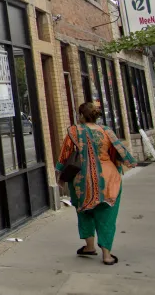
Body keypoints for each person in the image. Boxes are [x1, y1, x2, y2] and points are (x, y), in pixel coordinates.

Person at [56, 102, 137, 265]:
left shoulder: (74, 131)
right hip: (109, 178)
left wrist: (59, 176)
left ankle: (89, 246)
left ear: (81, 115)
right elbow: (121, 153)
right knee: (107, 215)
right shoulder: (106, 131)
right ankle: (107, 255)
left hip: (81, 180)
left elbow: (64, 155)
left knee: (84, 212)